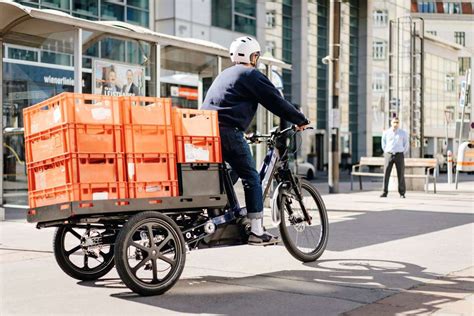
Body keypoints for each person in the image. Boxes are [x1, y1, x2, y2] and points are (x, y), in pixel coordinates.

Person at [202, 36, 310, 245]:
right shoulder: (250, 74)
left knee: (231, 171)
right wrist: (300, 119)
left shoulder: (225, 74)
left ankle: (220, 212)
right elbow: (274, 100)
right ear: (253, 56)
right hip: (228, 132)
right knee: (251, 177)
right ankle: (257, 231)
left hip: (207, 130)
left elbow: (225, 104)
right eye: (256, 56)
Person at [380, 117, 409, 198]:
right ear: (391, 123)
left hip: (399, 155)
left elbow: (406, 144)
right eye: (394, 122)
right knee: (386, 173)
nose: (395, 124)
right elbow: (383, 143)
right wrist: (386, 151)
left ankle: (402, 193)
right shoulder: (386, 132)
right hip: (389, 154)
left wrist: (402, 151)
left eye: (397, 122)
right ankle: (384, 192)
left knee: (401, 174)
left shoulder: (403, 133)